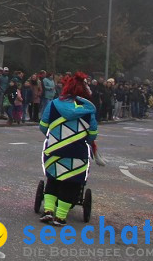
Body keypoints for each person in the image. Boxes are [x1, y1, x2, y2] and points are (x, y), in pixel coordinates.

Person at [38, 71, 98, 226]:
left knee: (53, 179)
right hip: (77, 153)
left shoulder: (53, 105)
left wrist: (56, 136)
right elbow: (92, 135)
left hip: (54, 149)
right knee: (72, 184)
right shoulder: (88, 110)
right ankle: (61, 217)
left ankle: (48, 211)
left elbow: (43, 126)